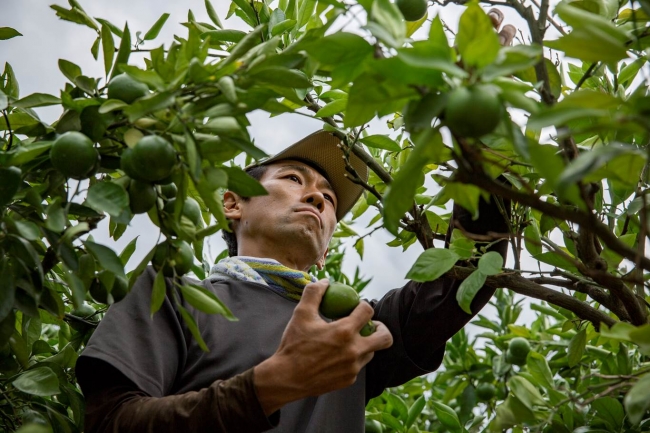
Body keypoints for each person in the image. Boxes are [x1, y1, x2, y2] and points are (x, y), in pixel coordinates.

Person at [76, 13, 517, 433]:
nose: (317, 198)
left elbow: (470, 272)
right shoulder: (168, 295)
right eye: (293, 179)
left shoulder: (351, 329)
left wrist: (474, 133)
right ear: (232, 203)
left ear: (325, 251)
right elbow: (111, 421)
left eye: (328, 199)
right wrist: (272, 384)